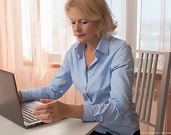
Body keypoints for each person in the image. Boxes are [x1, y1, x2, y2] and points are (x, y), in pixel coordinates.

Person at [18, 0, 140, 134]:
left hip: (118, 131)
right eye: (73, 22)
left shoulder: (120, 50)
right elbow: (53, 90)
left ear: (100, 20)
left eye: (83, 22)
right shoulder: (74, 52)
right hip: (91, 126)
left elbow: (118, 108)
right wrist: (21, 95)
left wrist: (68, 110)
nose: (76, 28)